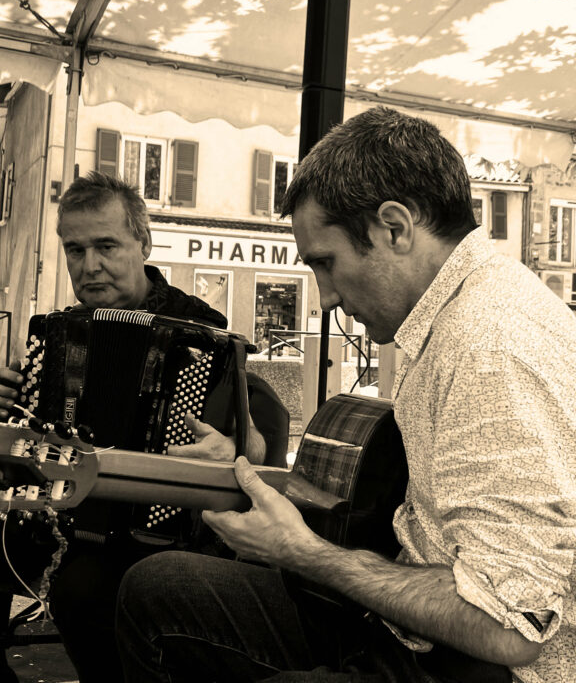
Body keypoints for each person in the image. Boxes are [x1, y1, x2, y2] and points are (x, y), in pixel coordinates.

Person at [115, 106, 576, 683]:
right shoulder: (457, 316)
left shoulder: (491, 347)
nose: (325, 297)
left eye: (325, 263)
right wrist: (249, 471)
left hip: (465, 663)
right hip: (407, 620)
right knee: (156, 588)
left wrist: (302, 552)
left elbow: (507, 625)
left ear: (395, 227)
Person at [0, 171, 289, 683]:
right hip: (50, 518)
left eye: (106, 246)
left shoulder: (202, 332)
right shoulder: (57, 333)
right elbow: (26, 430)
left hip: (153, 535)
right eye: (74, 250)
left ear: (143, 243)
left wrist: (237, 448)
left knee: (82, 591)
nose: (89, 266)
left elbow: (259, 434)